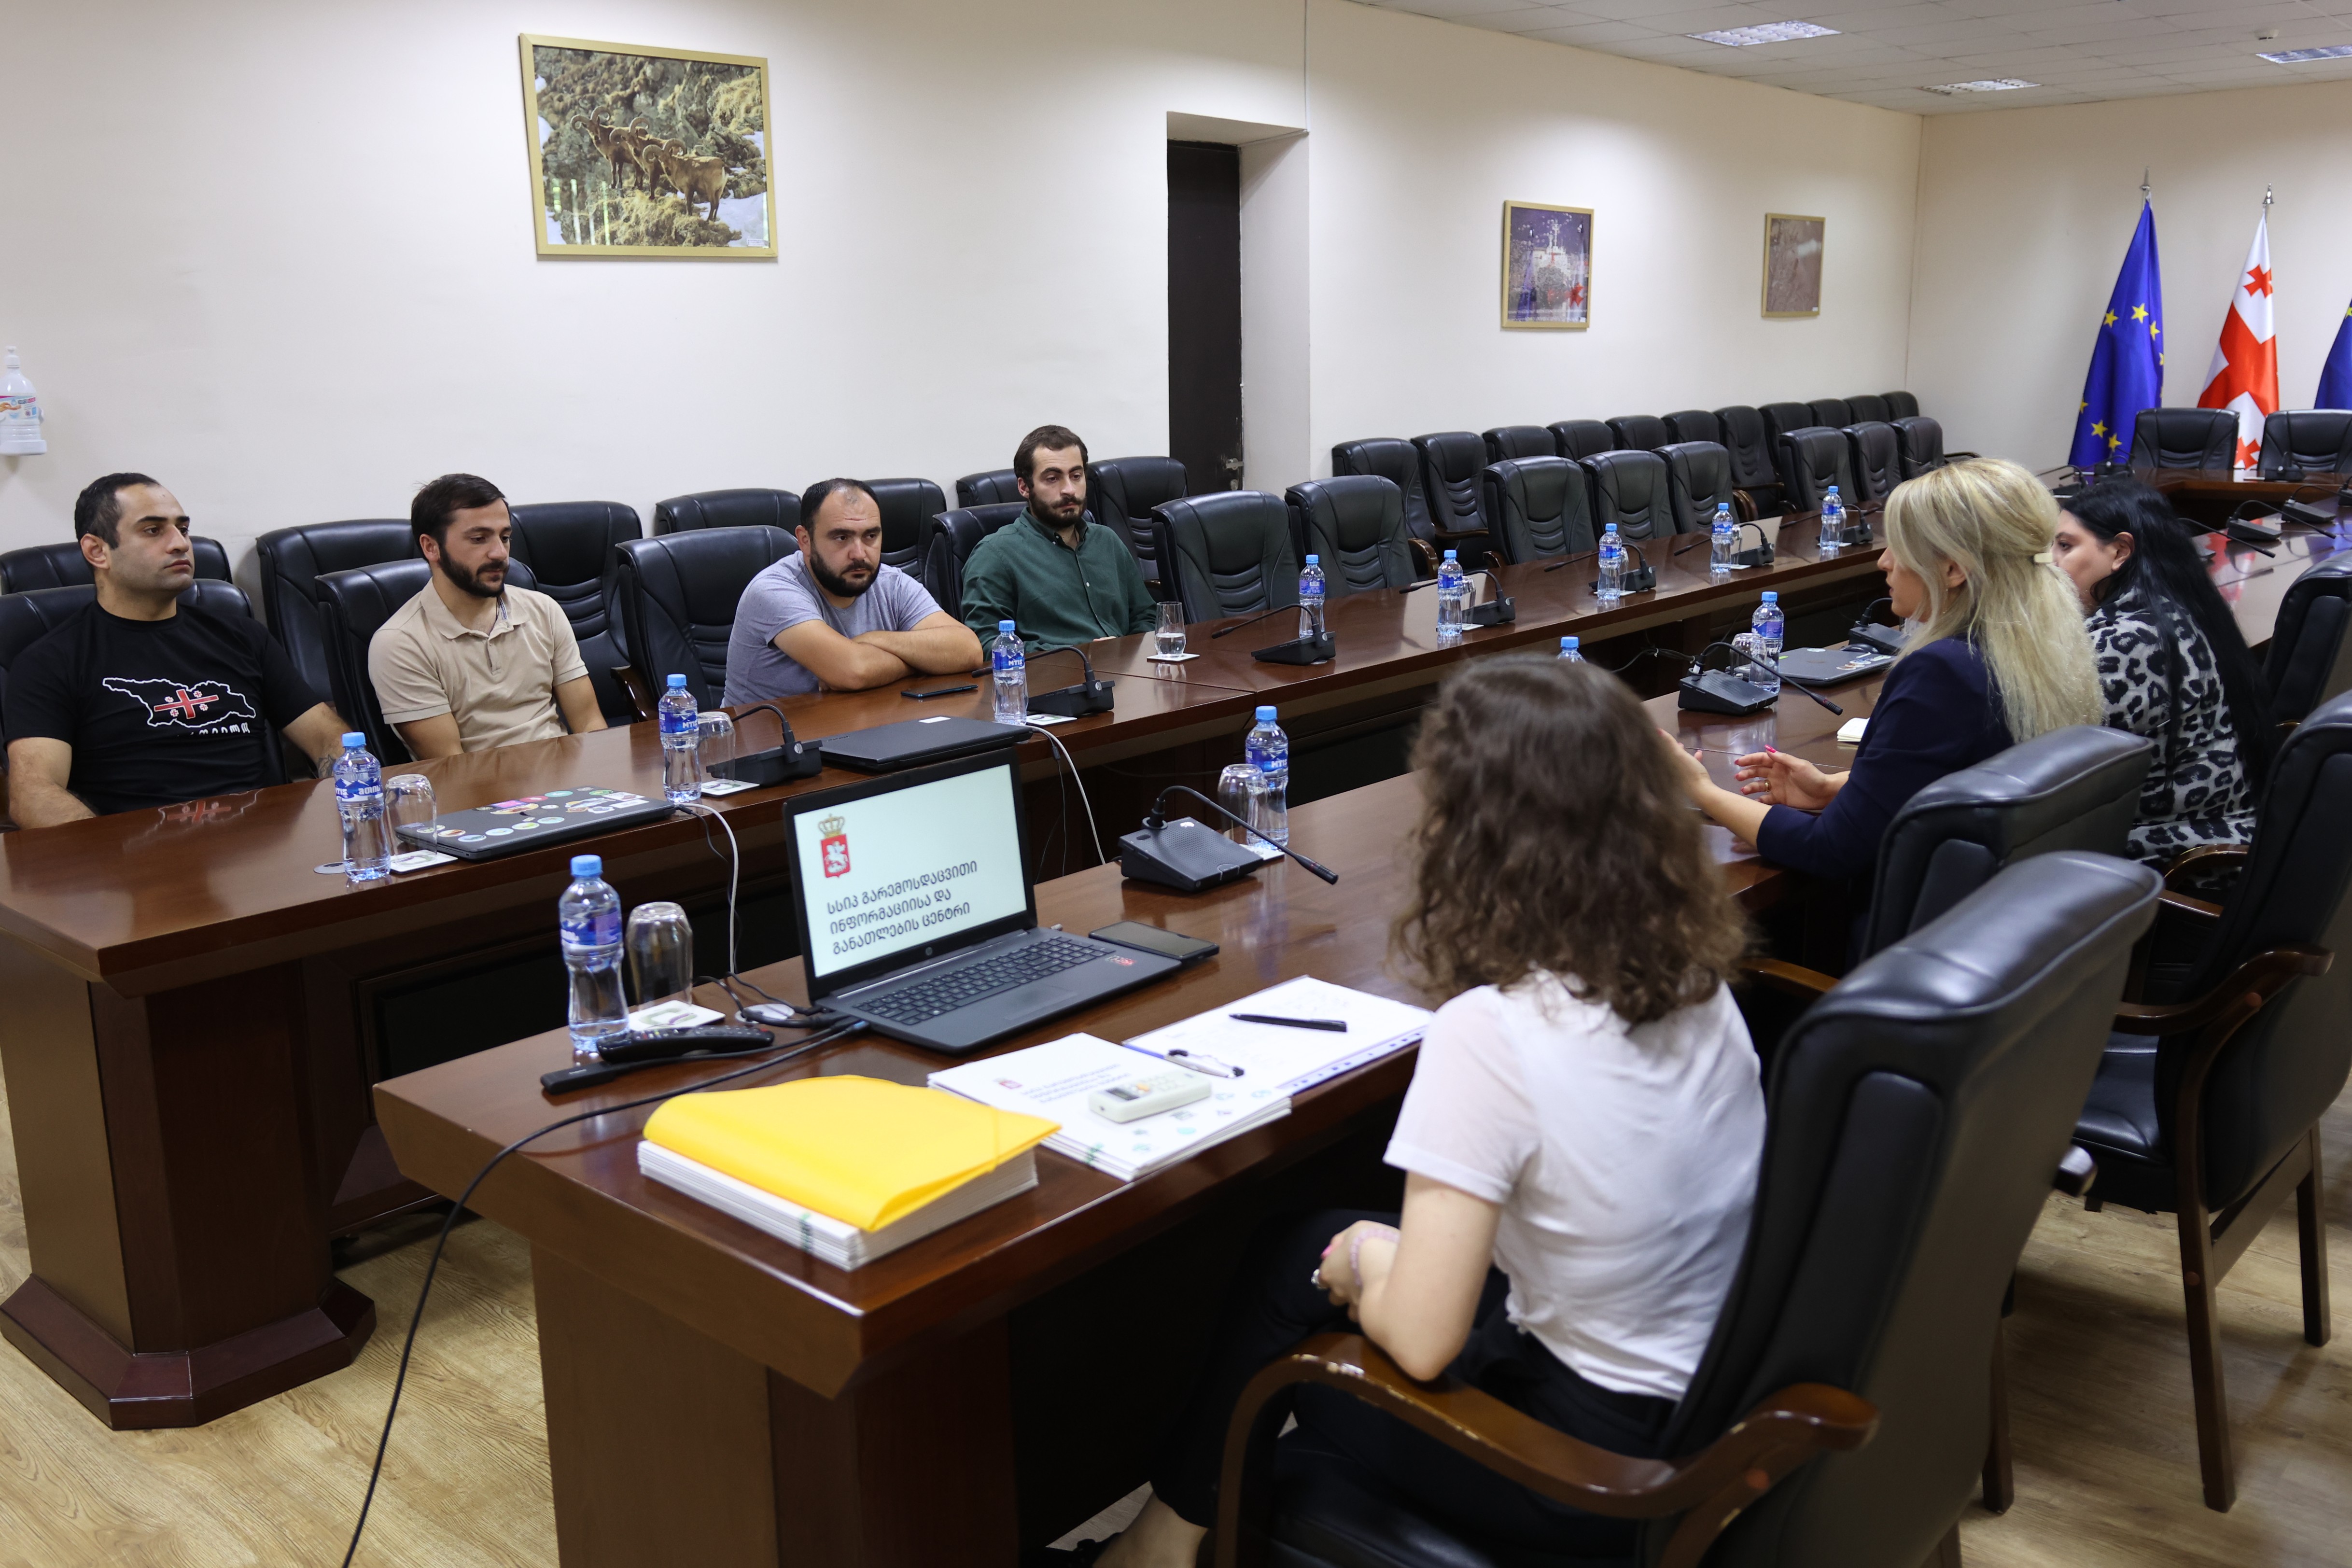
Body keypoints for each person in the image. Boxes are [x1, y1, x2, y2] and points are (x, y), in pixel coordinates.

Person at [1090, 658, 1763, 1568]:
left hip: (1584, 1476)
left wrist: (1367, 1260)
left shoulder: (1494, 1030)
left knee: (1317, 1325)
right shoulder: (1693, 974)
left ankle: (1161, 1547)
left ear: (1469, 837)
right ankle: (1161, 1544)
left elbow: (1420, 1341)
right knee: (1294, 1245)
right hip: (1703, 1411)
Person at [1670, 459, 2102, 897]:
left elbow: (1831, 850)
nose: (1884, 561)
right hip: (2003, 911)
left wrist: (1699, 790)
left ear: (1953, 569)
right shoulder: (2039, 645)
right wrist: (1833, 790)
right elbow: (1965, 780)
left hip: (1919, 927)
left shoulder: (1943, 672)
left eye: (1899, 546)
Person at [4, 473, 350, 826]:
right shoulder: (49, 662)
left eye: (183, 529)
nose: (180, 544)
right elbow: (34, 794)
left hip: (258, 843)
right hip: (137, 853)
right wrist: (104, 856)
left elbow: (328, 739)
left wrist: (357, 807)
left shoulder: (243, 637)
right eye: (153, 530)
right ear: (97, 551)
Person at [2050, 479, 2272, 862]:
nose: (2052, 562)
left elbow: (2054, 762)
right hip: (2219, 834)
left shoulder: (2128, 643)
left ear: (2120, 552)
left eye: (2066, 546)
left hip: (2174, 857)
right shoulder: (2176, 606)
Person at [368, 473, 607, 757]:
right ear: (431, 547)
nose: (499, 553)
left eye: (505, 538)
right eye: (479, 539)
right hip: (478, 784)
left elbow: (589, 723)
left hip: (568, 779)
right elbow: (450, 764)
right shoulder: (400, 643)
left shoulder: (543, 609)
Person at [722, 477, 980, 703]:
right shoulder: (772, 591)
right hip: (769, 739)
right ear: (805, 540)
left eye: (870, 536)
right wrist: (924, 662)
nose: (859, 554)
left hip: (857, 727)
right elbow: (853, 671)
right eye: (842, 538)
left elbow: (968, 649)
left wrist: (874, 640)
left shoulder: (891, 582)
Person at [959, 424, 1157, 647]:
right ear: (1024, 487)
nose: (1069, 490)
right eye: (1053, 478)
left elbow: (1147, 616)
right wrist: (1083, 655)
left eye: (1076, 476)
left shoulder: (1107, 540)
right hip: (1055, 670)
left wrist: (1124, 651)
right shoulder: (994, 555)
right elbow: (988, 645)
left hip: (1123, 667)